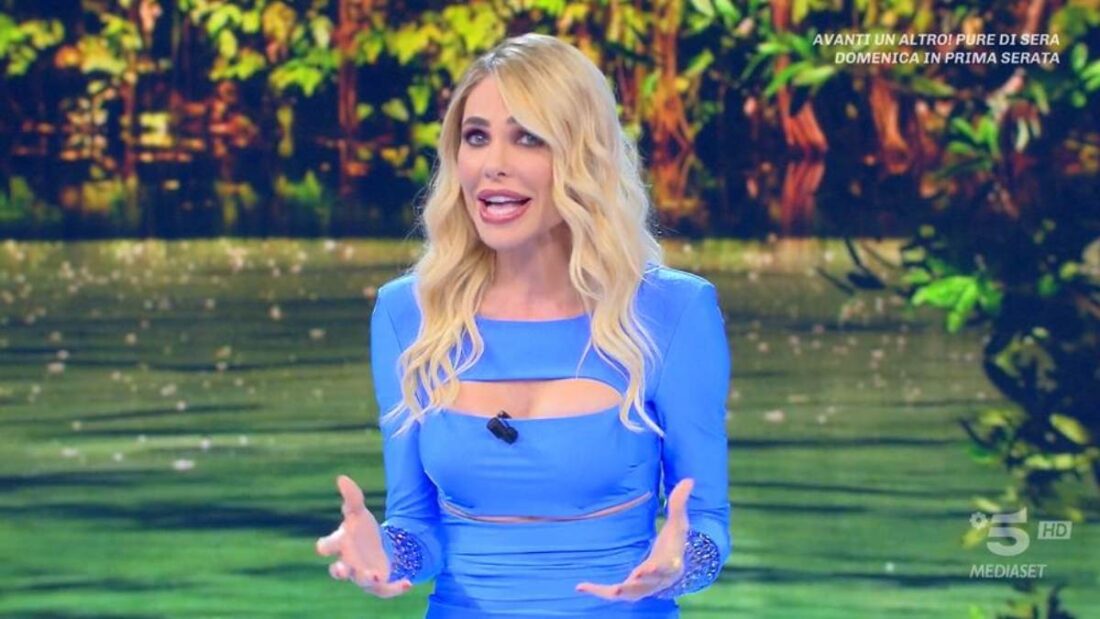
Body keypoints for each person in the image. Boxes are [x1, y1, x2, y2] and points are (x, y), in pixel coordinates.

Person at [316, 32, 732, 618]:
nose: (493, 165)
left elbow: (707, 526)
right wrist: (384, 555)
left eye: (527, 138)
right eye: (476, 137)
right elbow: (417, 526)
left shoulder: (673, 311)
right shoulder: (408, 313)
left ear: (582, 156)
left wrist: (679, 565)